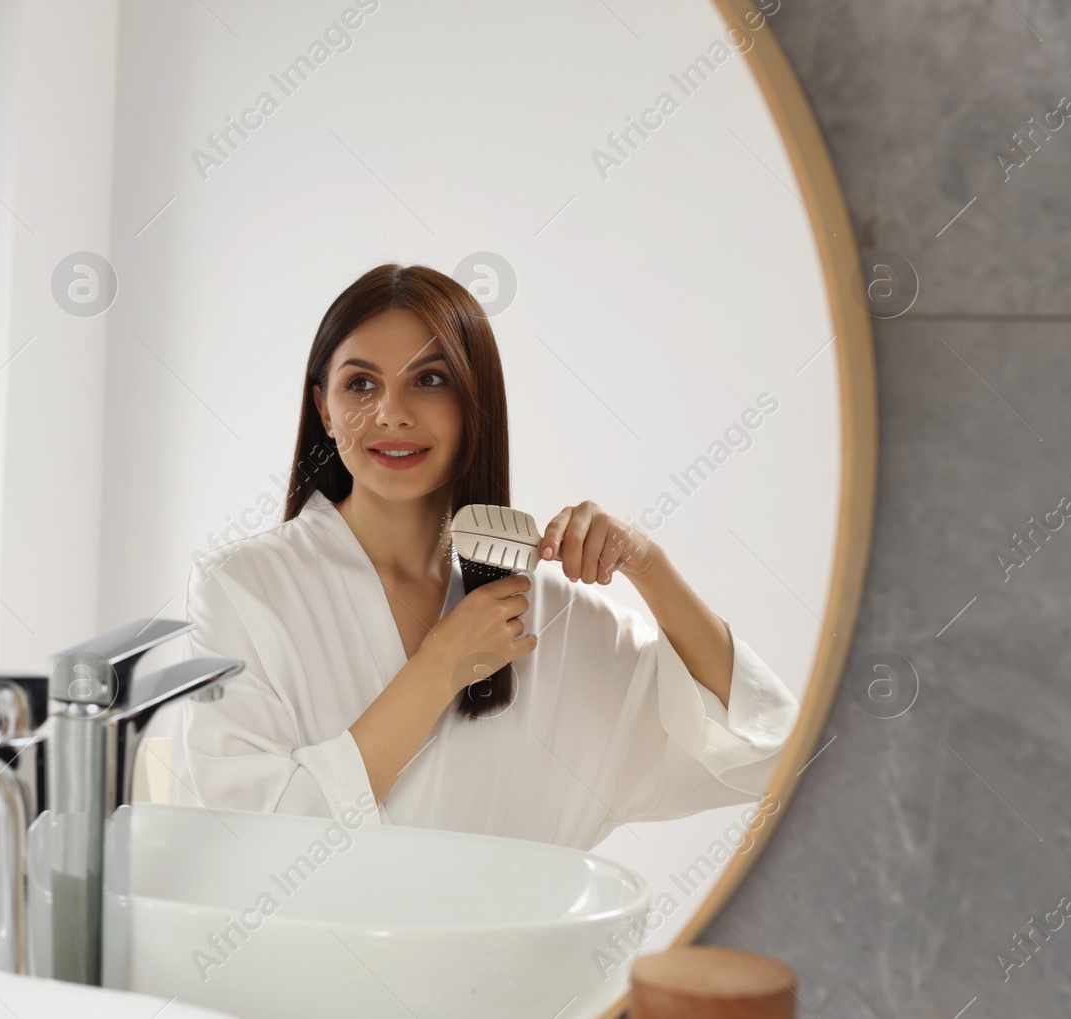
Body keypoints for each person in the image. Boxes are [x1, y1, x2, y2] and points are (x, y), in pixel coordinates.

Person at [169, 263, 798, 850]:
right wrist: (439, 668)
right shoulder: (242, 590)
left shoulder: (553, 619)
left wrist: (648, 566)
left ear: (476, 405)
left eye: (431, 379)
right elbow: (239, 846)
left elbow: (764, 750)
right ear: (324, 410)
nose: (392, 412)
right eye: (361, 384)